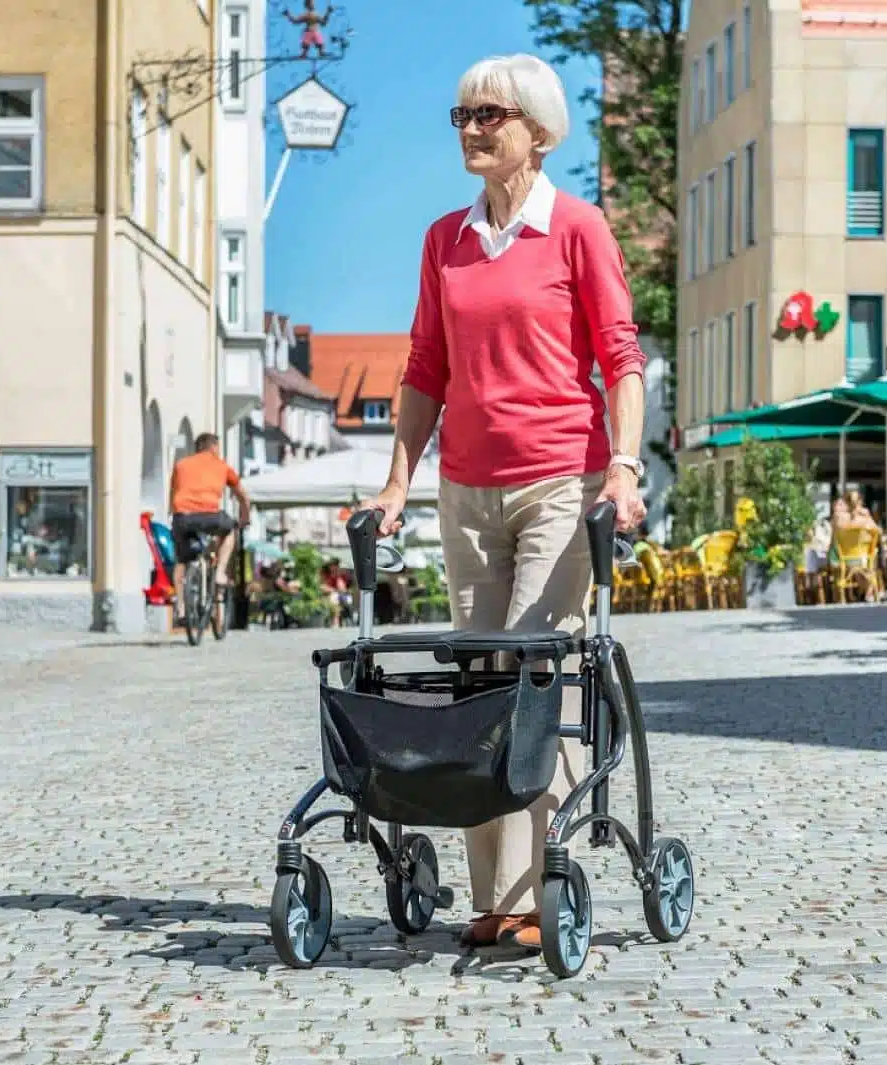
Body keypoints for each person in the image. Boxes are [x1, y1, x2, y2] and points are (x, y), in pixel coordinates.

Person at [356, 53, 647, 953]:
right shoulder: (445, 239)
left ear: (537, 129)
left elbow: (620, 357)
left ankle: (533, 890)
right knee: (477, 682)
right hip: (466, 489)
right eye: (463, 115)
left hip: (562, 477)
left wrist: (625, 466)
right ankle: (493, 899)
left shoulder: (576, 229)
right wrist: (400, 480)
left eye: (491, 114)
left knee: (528, 670)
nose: (474, 128)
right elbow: (424, 369)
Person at [168, 432, 251, 623]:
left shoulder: (181, 465)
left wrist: (175, 515)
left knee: (181, 561)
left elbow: (173, 493)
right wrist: (245, 518)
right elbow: (242, 497)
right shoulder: (221, 466)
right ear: (214, 447)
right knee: (230, 530)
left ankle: (180, 607)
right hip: (209, 516)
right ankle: (220, 572)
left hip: (182, 517)